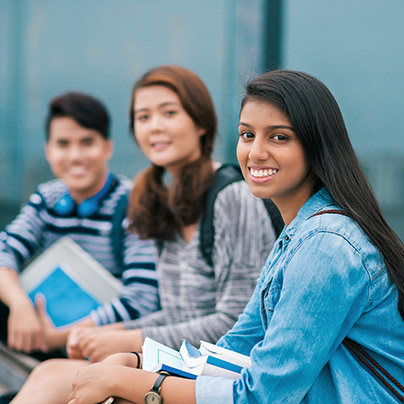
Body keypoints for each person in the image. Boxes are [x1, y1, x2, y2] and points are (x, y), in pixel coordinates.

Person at [31, 69, 404, 404]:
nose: (256, 152)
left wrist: (136, 381)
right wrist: (139, 360)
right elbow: (234, 347)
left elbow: (261, 396)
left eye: (279, 137)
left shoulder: (325, 246)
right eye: (247, 135)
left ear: (316, 145)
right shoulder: (298, 234)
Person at [7, 65, 276, 404]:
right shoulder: (161, 200)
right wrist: (109, 333)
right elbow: (181, 311)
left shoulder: (232, 196)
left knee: (63, 380)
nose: (155, 126)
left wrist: (133, 339)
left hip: (225, 377)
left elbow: (238, 320)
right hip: (181, 361)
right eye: (143, 117)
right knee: (51, 374)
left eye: (168, 113)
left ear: (201, 123)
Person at [0, 92, 159, 356]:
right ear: (48, 150)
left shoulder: (135, 204)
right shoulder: (47, 198)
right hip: (44, 334)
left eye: (87, 142)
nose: (75, 156)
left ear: (107, 147)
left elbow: (141, 301)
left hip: (106, 347)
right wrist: (20, 307)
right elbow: (5, 251)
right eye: (63, 144)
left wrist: (58, 337)